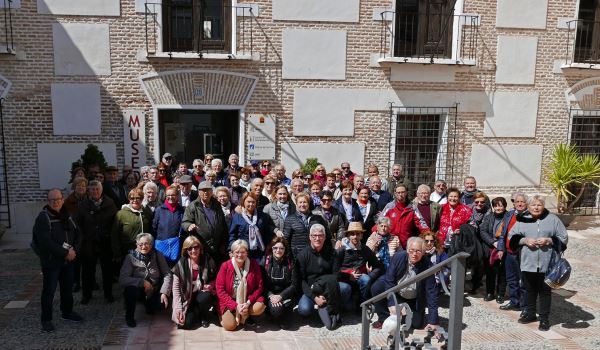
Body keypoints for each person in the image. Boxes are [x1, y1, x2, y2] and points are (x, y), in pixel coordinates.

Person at [509, 195, 568, 331]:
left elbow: (563, 237)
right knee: (529, 289)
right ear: (528, 207)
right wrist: (525, 240)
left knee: (545, 291)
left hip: (548, 264)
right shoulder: (522, 220)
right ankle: (530, 314)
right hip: (528, 262)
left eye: (539, 205)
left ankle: (544, 319)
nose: (536, 207)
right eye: (533, 205)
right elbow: (512, 237)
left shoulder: (553, 219)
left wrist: (549, 240)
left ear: (543, 206)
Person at [33, 189, 83, 332]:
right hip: (51, 262)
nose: (56, 202)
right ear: (48, 201)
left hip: (68, 261)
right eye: (52, 200)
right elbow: (46, 242)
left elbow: (78, 233)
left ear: (63, 199)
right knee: (49, 291)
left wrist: (74, 251)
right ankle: (46, 319)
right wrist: (66, 253)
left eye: (58, 199)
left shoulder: (67, 215)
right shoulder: (43, 217)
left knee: (67, 289)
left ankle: (67, 312)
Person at [370, 237, 438, 330]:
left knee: (417, 324)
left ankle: (406, 314)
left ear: (423, 252)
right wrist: (392, 303)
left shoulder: (427, 265)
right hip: (398, 292)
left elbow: (431, 292)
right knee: (377, 287)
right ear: (407, 250)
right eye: (412, 250)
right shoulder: (398, 257)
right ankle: (383, 318)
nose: (414, 254)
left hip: (414, 297)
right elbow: (390, 281)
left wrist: (433, 321)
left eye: (418, 251)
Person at [293, 224, 350, 330]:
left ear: (324, 237)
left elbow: (336, 275)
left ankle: (331, 307)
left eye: (320, 235)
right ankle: (322, 307)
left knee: (346, 288)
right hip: (311, 288)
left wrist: (326, 293)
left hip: (328, 286)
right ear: (309, 237)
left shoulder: (332, 253)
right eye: (314, 236)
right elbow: (301, 281)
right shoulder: (303, 255)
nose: (317, 238)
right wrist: (314, 297)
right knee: (304, 310)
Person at [76, 180, 118, 304]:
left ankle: (108, 294)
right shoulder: (83, 205)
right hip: (89, 242)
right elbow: (78, 223)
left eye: (97, 189)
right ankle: (86, 295)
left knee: (107, 271)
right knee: (88, 271)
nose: (94, 192)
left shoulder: (110, 203)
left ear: (101, 190)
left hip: (105, 242)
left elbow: (114, 222)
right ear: (88, 191)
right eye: (92, 189)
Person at [119, 233, 171, 328]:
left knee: (161, 305)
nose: (144, 246)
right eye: (141, 244)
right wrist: (142, 282)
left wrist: (164, 292)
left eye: (147, 243)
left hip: (154, 289)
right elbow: (123, 279)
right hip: (138, 289)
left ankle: (148, 305)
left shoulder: (157, 255)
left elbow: (167, 274)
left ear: (151, 244)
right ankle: (129, 317)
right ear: (136, 244)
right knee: (131, 291)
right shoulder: (130, 257)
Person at [215, 239, 266, 331]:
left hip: (246, 300)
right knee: (230, 326)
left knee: (259, 307)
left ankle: (245, 314)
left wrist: (248, 303)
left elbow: (259, 287)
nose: (240, 255)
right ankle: (226, 313)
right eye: (237, 252)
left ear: (247, 252)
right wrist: (235, 305)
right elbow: (219, 289)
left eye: (243, 252)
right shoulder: (225, 266)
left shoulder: (253, 264)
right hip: (228, 301)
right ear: (232, 253)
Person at [169, 236, 218, 329]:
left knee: (205, 297)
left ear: (200, 248)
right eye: (190, 248)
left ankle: (204, 315)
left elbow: (217, 278)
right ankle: (196, 313)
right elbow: (175, 289)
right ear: (186, 250)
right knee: (185, 324)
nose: (193, 250)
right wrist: (178, 308)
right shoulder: (181, 263)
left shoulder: (207, 259)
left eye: (196, 247)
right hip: (187, 298)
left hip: (202, 295)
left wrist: (211, 285)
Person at [182, 181, 229, 263]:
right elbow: (185, 222)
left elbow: (222, 224)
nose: (206, 192)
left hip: (217, 246)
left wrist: (223, 243)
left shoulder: (217, 204)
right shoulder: (193, 206)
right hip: (201, 247)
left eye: (208, 190)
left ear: (211, 192)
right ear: (199, 192)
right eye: (203, 190)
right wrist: (189, 226)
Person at [337, 222, 382, 303]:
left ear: (361, 235)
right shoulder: (341, 250)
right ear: (348, 235)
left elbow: (378, 266)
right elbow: (334, 270)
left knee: (366, 279)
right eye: (352, 234)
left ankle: (361, 305)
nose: (355, 236)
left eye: (358, 234)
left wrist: (370, 277)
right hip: (343, 279)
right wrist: (348, 276)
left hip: (360, 278)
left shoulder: (365, 249)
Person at [499, 193, 528, 313]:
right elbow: (503, 233)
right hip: (508, 252)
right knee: (511, 278)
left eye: (522, 202)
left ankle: (525, 305)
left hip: (522, 253)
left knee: (523, 280)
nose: (520, 204)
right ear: (514, 203)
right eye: (517, 202)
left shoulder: (530, 216)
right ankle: (514, 301)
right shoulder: (509, 214)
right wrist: (501, 248)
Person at [228, 193, 275, 261]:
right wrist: (231, 250)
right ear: (243, 202)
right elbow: (232, 234)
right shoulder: (237, 216)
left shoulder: (262, 216)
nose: (251, 204)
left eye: (253, 202)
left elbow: (267, 233)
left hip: (259, 253)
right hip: (242, 252)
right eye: (248, 202)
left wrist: (268, 247)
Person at [479, 197, 509, 303]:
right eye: (495, 206)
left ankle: (500, 294)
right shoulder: (489, 217)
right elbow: (482, 230)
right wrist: (492, 242)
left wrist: (500, 244)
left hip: (504, 248)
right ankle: (490, 292)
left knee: (502, 272)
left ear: (504, 206)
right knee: (490, 272)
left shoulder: (509, 217)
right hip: (490, 248)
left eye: (500, 205)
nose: (498, 208)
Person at [262, 237, 295, 329]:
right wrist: (271, 296)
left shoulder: (290, 262)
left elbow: (294, 285)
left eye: (281, 248)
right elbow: (261, 284)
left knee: (286, 326)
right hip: (271, 295)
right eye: (275, 248)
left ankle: (281, 314)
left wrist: (281, 296)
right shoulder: (265, 261)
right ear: (271, 249)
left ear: (285, 250)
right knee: (276, 310)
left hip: (285, 295)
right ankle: (271, 313)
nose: (278, 250)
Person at [111, 188, 154, 260]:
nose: (135, 200)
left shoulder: (147, 212)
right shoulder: (121, 214)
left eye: (138, 198)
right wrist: (117, 253)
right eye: (132, 198)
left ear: (142, 199)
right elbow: (115, 234)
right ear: (129, 199)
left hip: (144, 250)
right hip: (127, 251)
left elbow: (151, 230)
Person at [284, 193, 329, 258]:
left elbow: (327, 236)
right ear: (296, 204)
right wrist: (288, 256)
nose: (302, 204)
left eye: (305, 202)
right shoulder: (290, 219)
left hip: (316, 254)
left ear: (308, 203)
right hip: (297, 256)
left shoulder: (318, 218)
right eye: (300, 202)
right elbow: (286, 239)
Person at [153, 185, 185, 266]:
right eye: (168, 195)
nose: (170, 197)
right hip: (161, 246)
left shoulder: (182, 210)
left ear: (177, 196)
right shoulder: (159, 210)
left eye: (173, 195)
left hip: (176, 246)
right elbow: (153, 228)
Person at [383, 185, 417, 249]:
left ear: (406, 193)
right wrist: (375, 232)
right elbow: (380, 221)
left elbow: (420, 222)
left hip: (406, 242)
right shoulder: (389, 206)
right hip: (391, 242)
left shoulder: (412, 207)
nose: (400, 194)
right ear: (395, 194)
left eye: (402, 192)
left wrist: (427, 234)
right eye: (398, 192)